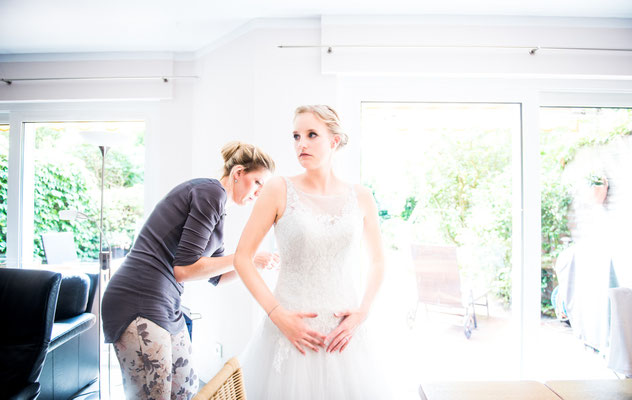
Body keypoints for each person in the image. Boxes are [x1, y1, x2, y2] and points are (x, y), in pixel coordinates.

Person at [233, 105, 390, 398]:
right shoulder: (278, 189)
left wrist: (362, 313)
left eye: (311, 134)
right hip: (290, 333)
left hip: (345, 335)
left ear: (334, 141)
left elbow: (378, 261)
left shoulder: (362, 197)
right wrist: (278, 315)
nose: (301, 144)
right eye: (295, 136)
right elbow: (243, 258)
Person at [102, 141, 277, 400]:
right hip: (138, 298)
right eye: (258, 182)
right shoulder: (210, 192)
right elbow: (184, 269)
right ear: (238, 173)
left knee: (185, 389)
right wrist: (243, 256)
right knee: (155, 395)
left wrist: (253, 263)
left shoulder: (217, 208)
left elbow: (215, 276)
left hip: (165, 303)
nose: (260, 192)